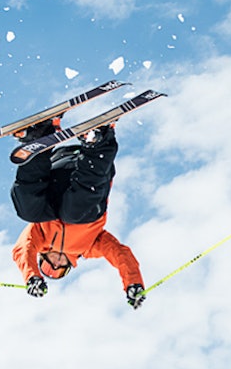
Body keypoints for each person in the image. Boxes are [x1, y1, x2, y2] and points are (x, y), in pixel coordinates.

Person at [9, 120, 144, 307]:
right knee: (73, 214)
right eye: (60, 269)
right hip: (91, 173)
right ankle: (98, 141)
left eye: (48, 266)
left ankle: (39, 137)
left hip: (59, 167)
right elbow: (119, 254)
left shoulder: (40, 237)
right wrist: (133, 283)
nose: (55, 263)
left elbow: (23, 249)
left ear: (42, 257)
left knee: (28, 212)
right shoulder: (89, 247)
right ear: (70, 265)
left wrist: (32, 277)